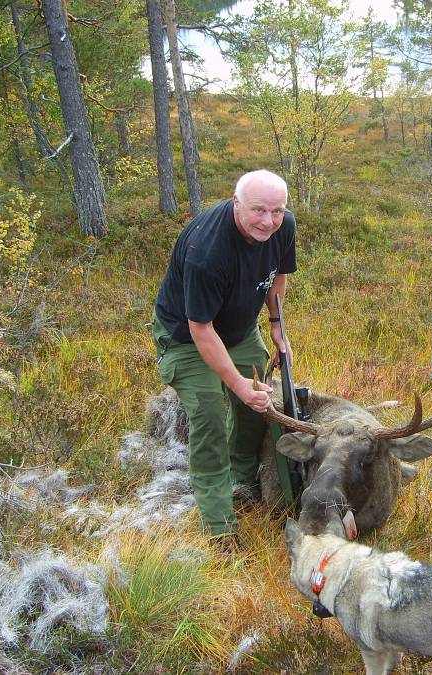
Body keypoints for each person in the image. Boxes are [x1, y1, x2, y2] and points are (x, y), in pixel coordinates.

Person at [151, 170, 296, 548]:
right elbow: (200, 329)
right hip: (187, 337)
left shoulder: (283, 226)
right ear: (237, 204)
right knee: (210, 417)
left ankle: (242, 481)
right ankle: (219, 525)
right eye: (258, 210)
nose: (269, 221)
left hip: (240, 329)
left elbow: (278, 275)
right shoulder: (207, 252)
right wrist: (236, 384)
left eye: (277, 211)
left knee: (257, 405)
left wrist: (276, 324)